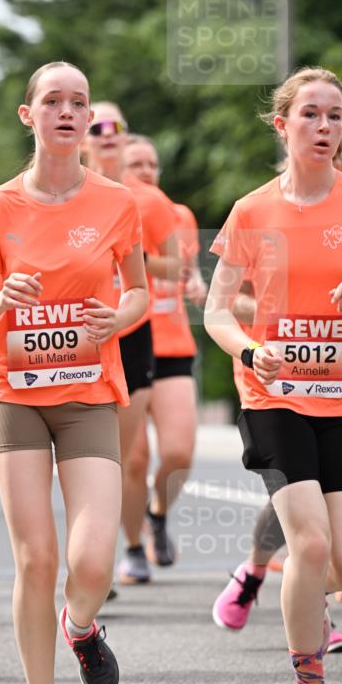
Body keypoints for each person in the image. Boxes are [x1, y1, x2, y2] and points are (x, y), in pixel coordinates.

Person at [0, 63, 149, 684]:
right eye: (52, 101)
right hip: (14, 397)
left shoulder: (115, 202)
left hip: (88, 394)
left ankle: (82, 627)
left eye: (78, 102)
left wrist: (115, 321)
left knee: (91, 560)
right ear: (26, 115)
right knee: (36, 558)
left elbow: (138, 293)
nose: (67, 112)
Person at [204, 66, 342, 684]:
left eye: (333, 116)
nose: (323, 127)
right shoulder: (252, 211)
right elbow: (215, 311)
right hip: (273, 394)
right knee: (310, 539)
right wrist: (247, 350)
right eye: (310, 115)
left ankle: (296, 599)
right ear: (282, 124)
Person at [212, 283, 342, 653]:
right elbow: (217, 302)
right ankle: (267, 579)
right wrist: (274, 310)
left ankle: (297, 582)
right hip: (274, 383)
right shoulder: (259, 228)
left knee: (322, 506)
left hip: (339, 379)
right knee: (302, 499)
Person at [84, 106, 179, 584]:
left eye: (115, 127)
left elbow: (174, 266)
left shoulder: (141, 201)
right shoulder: (58, 193)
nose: (106, 135)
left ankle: (123, 546)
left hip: (129, 330)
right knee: (87, 456)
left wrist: (127, 257)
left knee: (121, 456)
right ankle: (103, 556)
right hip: (73, 335)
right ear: (81, 137)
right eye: (95, 127)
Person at [121, 135, 207, 569]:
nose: (146, 171)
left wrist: (197, 286)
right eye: (136, 163)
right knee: (132, 460)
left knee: (178, 453)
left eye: (152, 163)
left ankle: (158, 514)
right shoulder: (112, 215)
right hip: (129, 343)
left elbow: (188, 271)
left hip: (172, 345)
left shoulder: (180, 217)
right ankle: (134, 547)